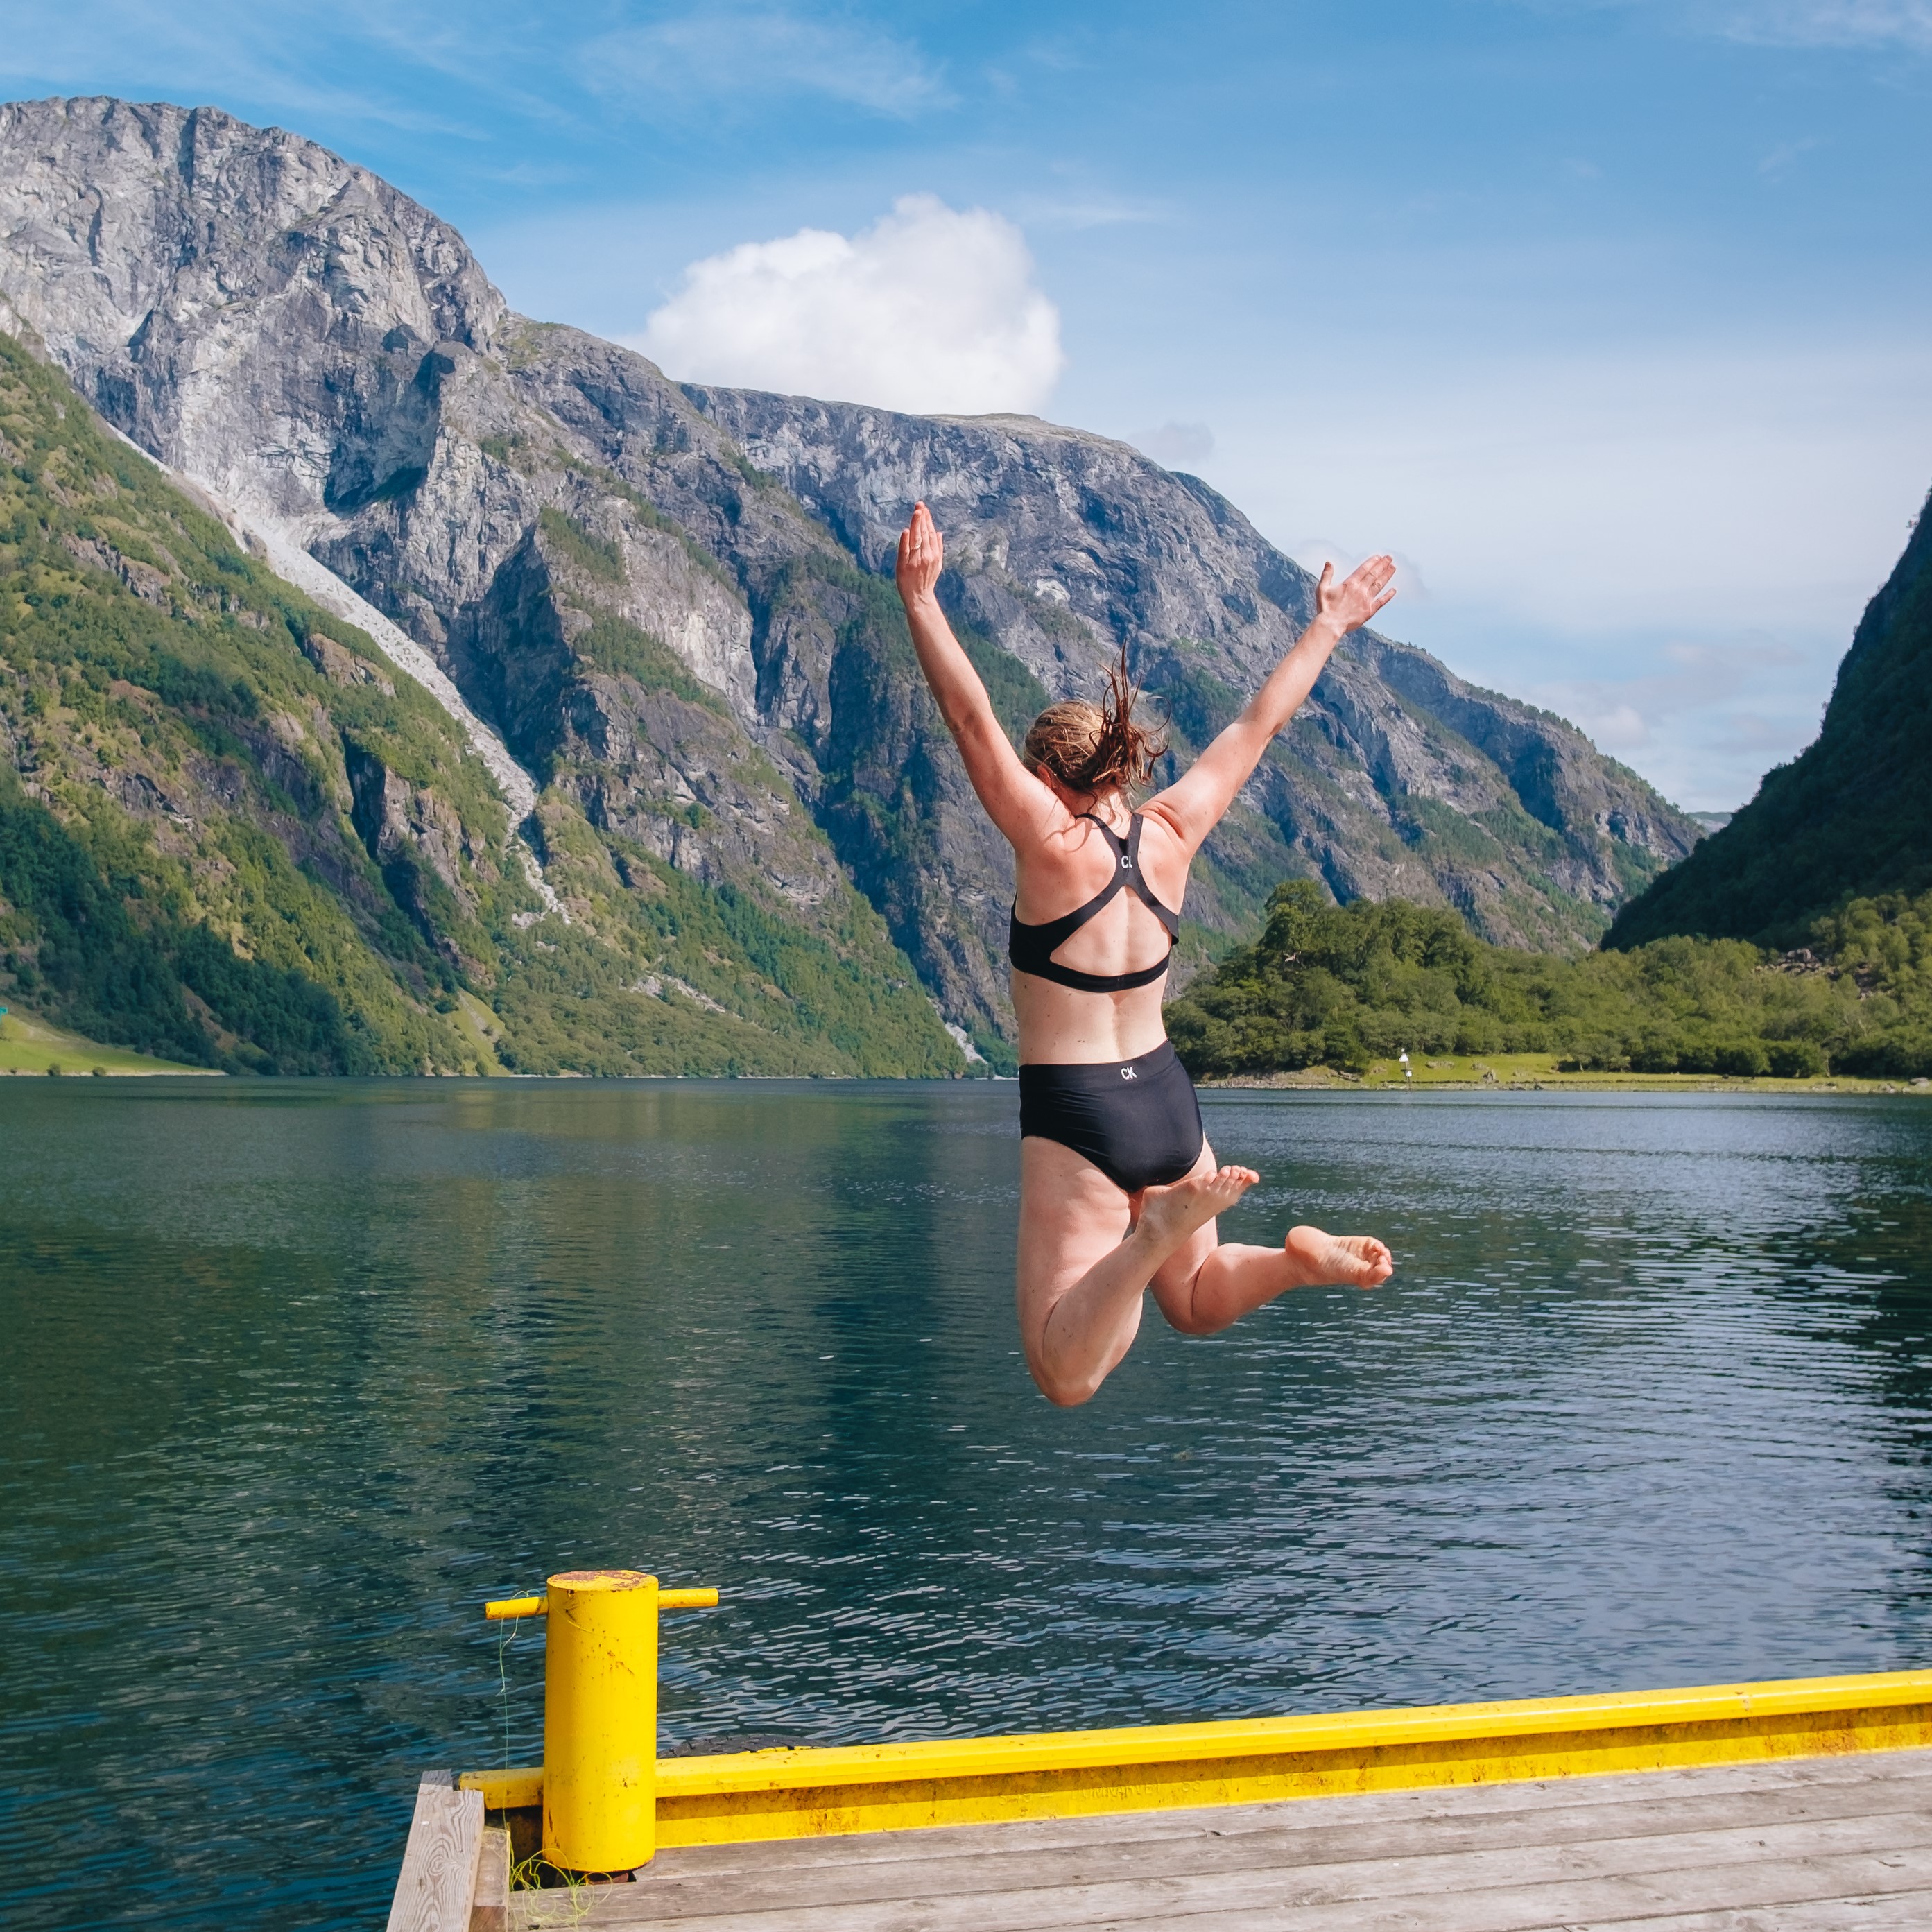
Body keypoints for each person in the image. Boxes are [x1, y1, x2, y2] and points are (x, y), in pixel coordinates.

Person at [894, 502, 1399, 1406]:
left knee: (1065, 1370)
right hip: (1168, 1099)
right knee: (1200, 1303)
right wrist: (1327, 623)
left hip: (1079, 1108)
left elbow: (969, 723)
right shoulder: (1172, 828)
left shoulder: (1049, 842)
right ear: (1123, 769)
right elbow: (1256, 728)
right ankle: (1297, 1259)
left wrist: (922, 601)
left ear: (1048, 775)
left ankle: (1149, 1232)